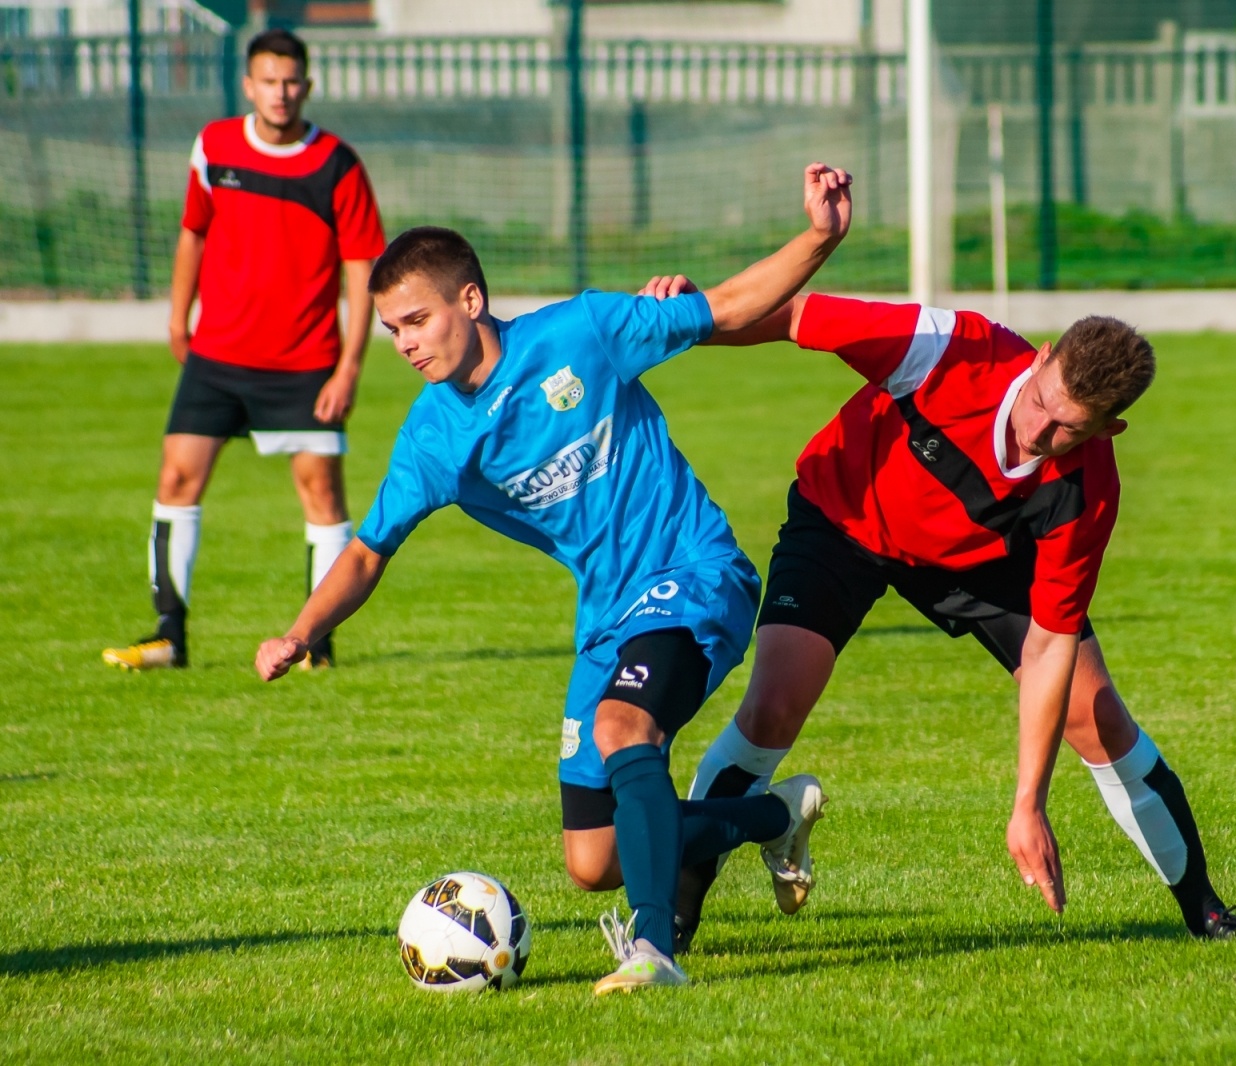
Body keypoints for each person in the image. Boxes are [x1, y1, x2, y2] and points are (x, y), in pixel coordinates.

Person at [254, 162, 853, 995]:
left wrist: (821, 236)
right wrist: (301, 630)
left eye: (417, 320)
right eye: (392, 330)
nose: (406, 344)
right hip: (608, 612)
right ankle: (771, 816)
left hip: (695, 571)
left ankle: (653, 951)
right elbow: (365, 551)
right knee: (593, 860)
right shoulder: (434, 439)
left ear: (470, 301)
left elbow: (730, 304)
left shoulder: (583, 333)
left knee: (621, 728)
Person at [634, 284, 1236, 947]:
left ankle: (1208, 917)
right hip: (847, 519)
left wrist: (1028, 803)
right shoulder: (952, 349)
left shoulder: (1086, 494)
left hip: (980, 562)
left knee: (1097, 717)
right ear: (1038, 360)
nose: (1039, 429)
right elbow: (798, 315)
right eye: (1042, 401)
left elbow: (1048, 648)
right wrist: (679, 322)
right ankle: (671, 928)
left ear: (1107, 429)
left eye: (1068, 427)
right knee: (775, 704)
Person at [103, 28, 385, 670]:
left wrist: (349, 367)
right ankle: (168, 637)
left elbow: (361, 269)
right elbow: (192, 233)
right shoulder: (216, 146)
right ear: (248, 85)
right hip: (219, 354)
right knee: (176, 477)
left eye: (291, 82)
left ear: (307, 87)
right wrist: (179, 318)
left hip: (306, 360)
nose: (280, 93)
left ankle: (316, 646)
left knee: (322, 494)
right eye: (268, 80)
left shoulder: (336, 164)